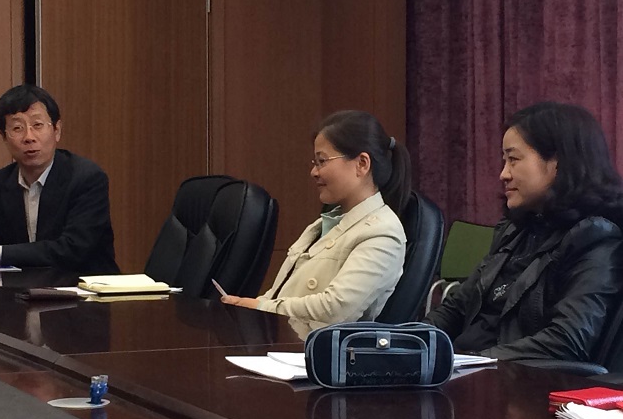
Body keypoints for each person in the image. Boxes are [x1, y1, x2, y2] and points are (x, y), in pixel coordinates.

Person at [424, 101, 623, 362]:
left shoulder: (595, 237)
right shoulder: (515, 230)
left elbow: (566, 341)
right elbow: (456, 309)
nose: (503, 174)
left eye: (514, 159)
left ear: (558, 162)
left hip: (513, 380)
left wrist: (473, 361)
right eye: (504, 161)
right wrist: (407, 342)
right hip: (468, 368)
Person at [221, 110, 411, 330]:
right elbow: (280, 294)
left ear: (362, 163)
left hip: (321, 349)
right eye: (315, 162)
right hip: (287, 341)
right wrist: (247, 307)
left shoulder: (383, 232)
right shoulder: (321, 225)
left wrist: (260, 307)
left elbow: (335, 309)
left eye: (322, 161)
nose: (314, 172)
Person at [0, 84, 120, 274]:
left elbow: (72, 249)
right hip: (22, 290)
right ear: (4, 137)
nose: (29, 137)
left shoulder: (86, 178)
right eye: (17, 128)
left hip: (85, 288)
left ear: (57, 130)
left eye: (37, 125)